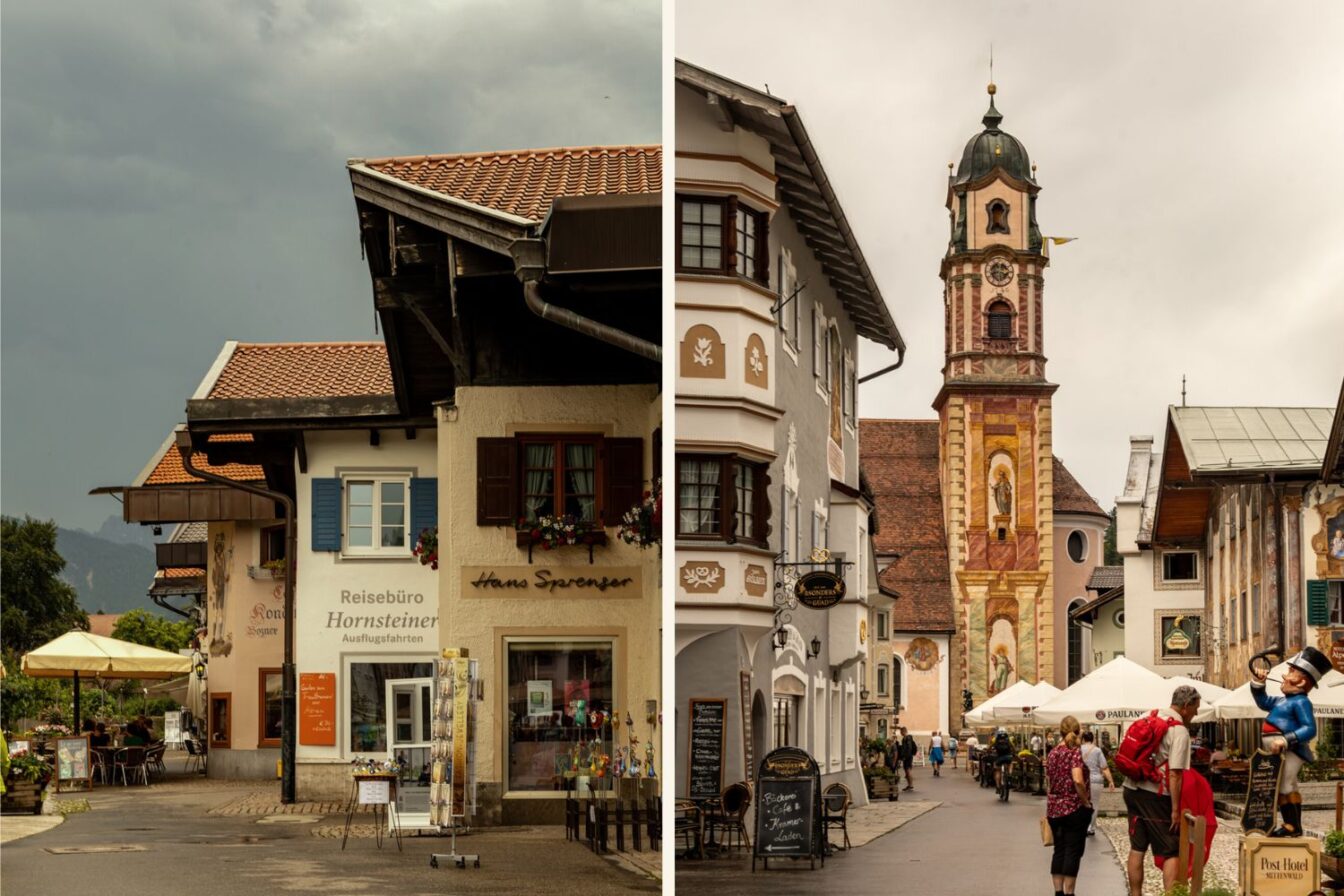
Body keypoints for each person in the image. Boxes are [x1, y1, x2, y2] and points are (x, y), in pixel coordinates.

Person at [1123, 684, 1201, 896]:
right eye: (1195, 708)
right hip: (1156, 795)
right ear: (1185, 706)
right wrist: (1175, 809)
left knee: (1137, 848)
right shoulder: (1179, 730)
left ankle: (1135, 894)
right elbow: (1175, 774)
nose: (1196, 713)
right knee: (1170, 849)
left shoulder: (1148, 715)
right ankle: (1170, 894)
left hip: (1131, 788)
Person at [1251, 645, 1333, 836]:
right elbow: (1262, 701)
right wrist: (1258, 682)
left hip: (1290, 751)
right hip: (1279, 752)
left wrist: (1285, 740)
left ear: (1301, 681)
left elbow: (1309, 729)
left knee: (1284, 785)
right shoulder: (1282, 701)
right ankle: (1294, 826)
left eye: (1291, 671)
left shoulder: (1301, 702)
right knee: (1289, 785)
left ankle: (1291, 826)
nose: (1285, 675)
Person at [1046, 715, 1092, 896]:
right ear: (1078, 731)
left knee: (1059, 850)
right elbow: (1078, 780)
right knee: (1072, 851)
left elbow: (1049, 780)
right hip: (1073, 808)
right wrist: (1085, 802)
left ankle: (1058, 892)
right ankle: (1069, 893)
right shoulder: (1074, 753)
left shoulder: (1052, 753)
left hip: (1054, 809)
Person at [1079, 730, 1114, 835]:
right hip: (1096, 780)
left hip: (1082, 779)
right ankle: (1091, 828)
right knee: (1094, 804)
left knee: (1082, 804)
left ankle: (1082, 827)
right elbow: (1104, 767)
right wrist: (1110, 781)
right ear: (1093, 739)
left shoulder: (1078, 749)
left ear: (1083, 739)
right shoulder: (1097, 750)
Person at [991, 726, 1014, 794]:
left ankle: (998, 787)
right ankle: (1009, 774)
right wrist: (1014, 753)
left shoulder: (996, 739)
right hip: (1008, 756)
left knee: (997, 770)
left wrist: (988, 751)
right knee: (1010, 763)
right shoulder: (1008, 739)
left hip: (999, 758)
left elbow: (991, 746)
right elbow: (1012, 746)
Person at [898, 726, 917, 791]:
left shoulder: (907, 738)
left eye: (901, 732)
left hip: (907, 757)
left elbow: (908, 748)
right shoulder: (906, 738)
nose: (900, 733)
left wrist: (905, 756)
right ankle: (909, 785)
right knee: (906, 770)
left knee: (908, 770)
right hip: (908, 756)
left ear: (903, 731)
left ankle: (911, 785)